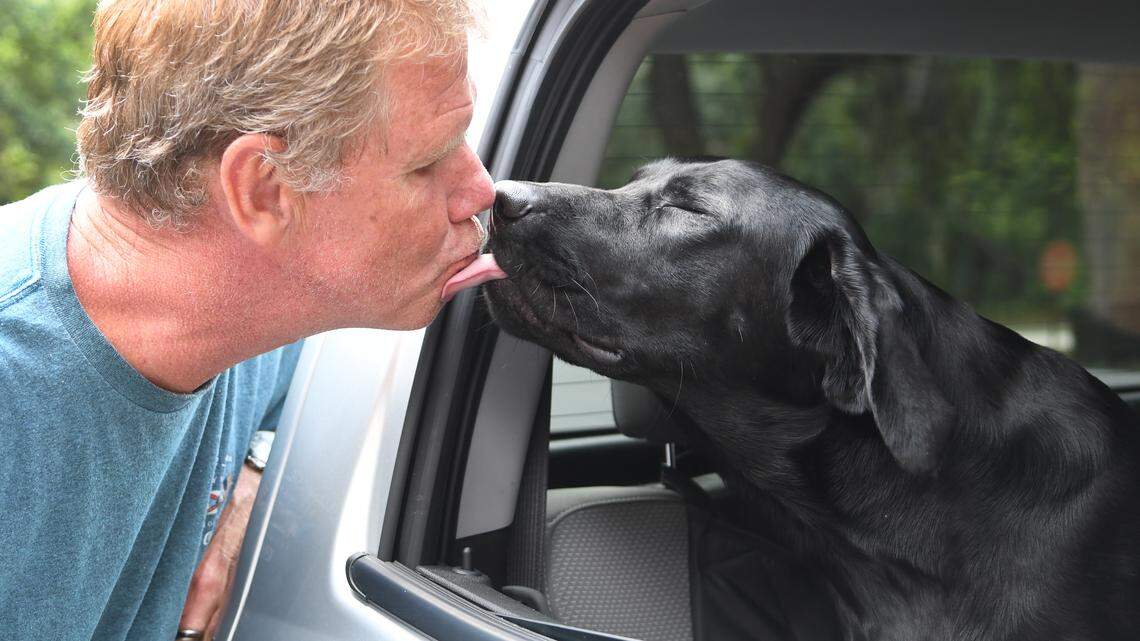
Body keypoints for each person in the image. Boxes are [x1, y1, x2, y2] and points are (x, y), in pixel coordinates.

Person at [0, 1, 507, 640]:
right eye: (428, 162)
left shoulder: (253, 308)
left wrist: (253, 482)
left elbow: (300, 381)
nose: (481, 190)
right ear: (264, 187)